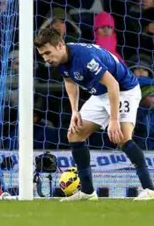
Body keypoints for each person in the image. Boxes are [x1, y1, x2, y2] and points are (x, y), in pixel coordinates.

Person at [34, 27, 154, 201]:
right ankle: (88, 192)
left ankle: (150, 189)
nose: (46, 59)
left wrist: (113, 120)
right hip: (100, 94)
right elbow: (69, 81)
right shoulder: (59, 60)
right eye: (42, 55)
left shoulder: (84, 58)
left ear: (60, 45)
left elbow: (113, 84)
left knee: (122, 137)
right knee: (74, 134)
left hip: (123, 90)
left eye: (47, 53)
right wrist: (75, 110)